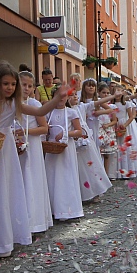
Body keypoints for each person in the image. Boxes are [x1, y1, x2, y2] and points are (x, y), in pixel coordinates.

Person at [0, 63, 65, 257]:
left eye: (13, 84)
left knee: (2, 192)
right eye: (5, 83)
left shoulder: (14, 104)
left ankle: (2, 241)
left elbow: (39, 112)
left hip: (3, 150)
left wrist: (56, 99)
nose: (10, 88)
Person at [18, 70, 54, 234]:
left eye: (30, 86)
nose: (26, 89)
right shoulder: (10, 103)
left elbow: (44, 128)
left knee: (30, 180)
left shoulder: (34, 104)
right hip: (15, 145)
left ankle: (34, 221)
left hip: (31, 145)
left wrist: (24, 132)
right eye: (23, 85)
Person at [44, 86, 85, 221]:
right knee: (52, 177)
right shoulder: (48, 113)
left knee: (66, 177)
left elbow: (79, 131)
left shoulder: (71, 113)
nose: (61, 99)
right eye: (58, 96)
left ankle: (68, 210)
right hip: (52, 148)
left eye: (64, 96)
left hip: (66, 148)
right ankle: (53, 208)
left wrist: (65, 133)